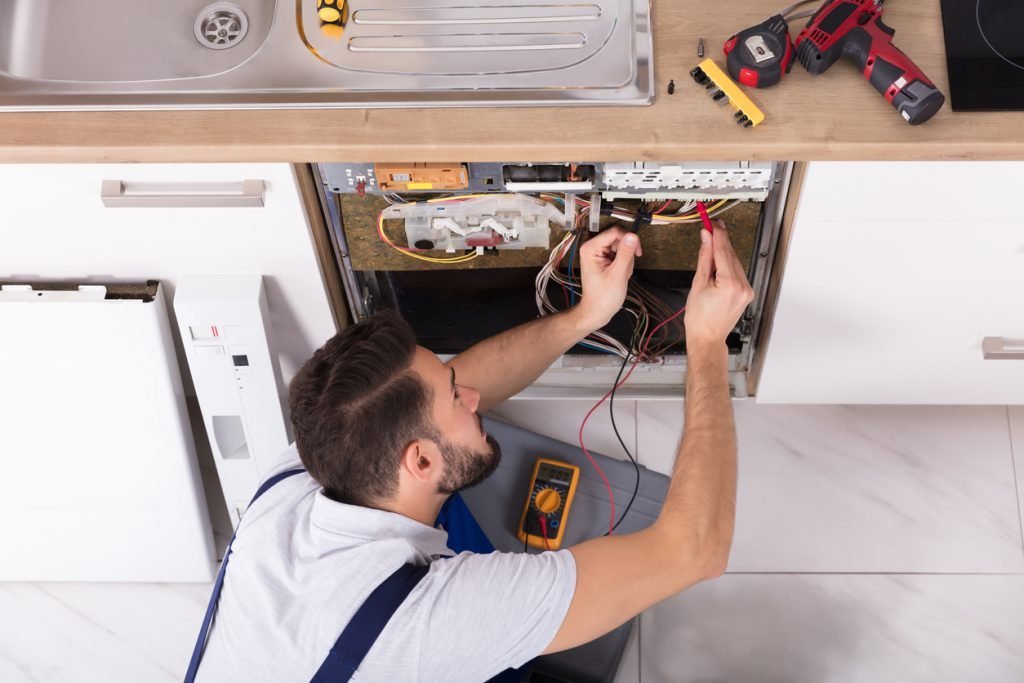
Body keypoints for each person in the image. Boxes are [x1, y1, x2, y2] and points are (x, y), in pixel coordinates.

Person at [191, 223, 754, 682]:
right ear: (419, 461)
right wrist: (707, 343)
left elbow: (464, 384)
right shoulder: (428, 625)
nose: (478, 395)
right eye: (457, 398)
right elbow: (695, 551)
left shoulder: (302, 474)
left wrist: (587, 316)